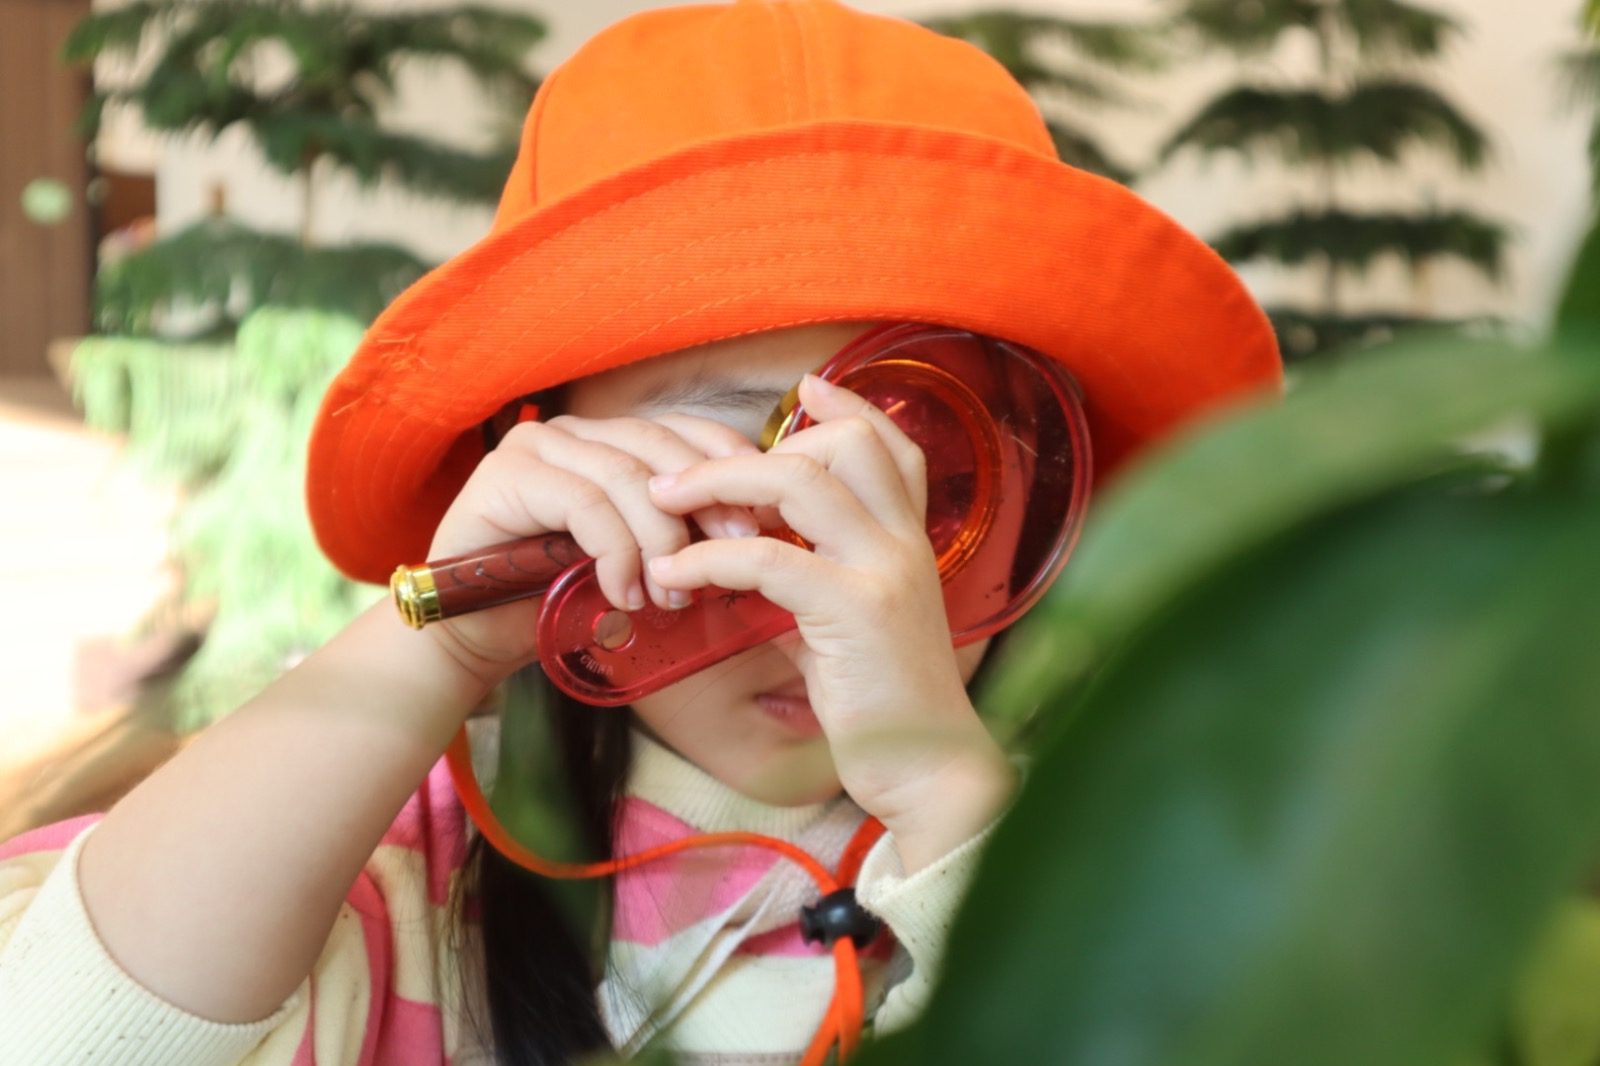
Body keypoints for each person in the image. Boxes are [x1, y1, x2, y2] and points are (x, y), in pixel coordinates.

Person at [0, 1, 1281, 1064]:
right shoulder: (379, 880)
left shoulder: (1202, 855)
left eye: (926, 475)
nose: (825, 591)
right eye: (708, 478)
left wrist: (947, 795)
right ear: (544, 475)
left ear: (1048, 486)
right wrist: (432, 636)